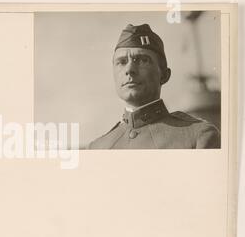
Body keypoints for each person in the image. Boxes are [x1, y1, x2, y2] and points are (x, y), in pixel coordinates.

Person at [88, 23, 220, 149]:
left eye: (143, 60)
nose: (129, 69)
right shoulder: (98, 147)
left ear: (164, 75)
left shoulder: (198, 137)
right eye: (121, 62)